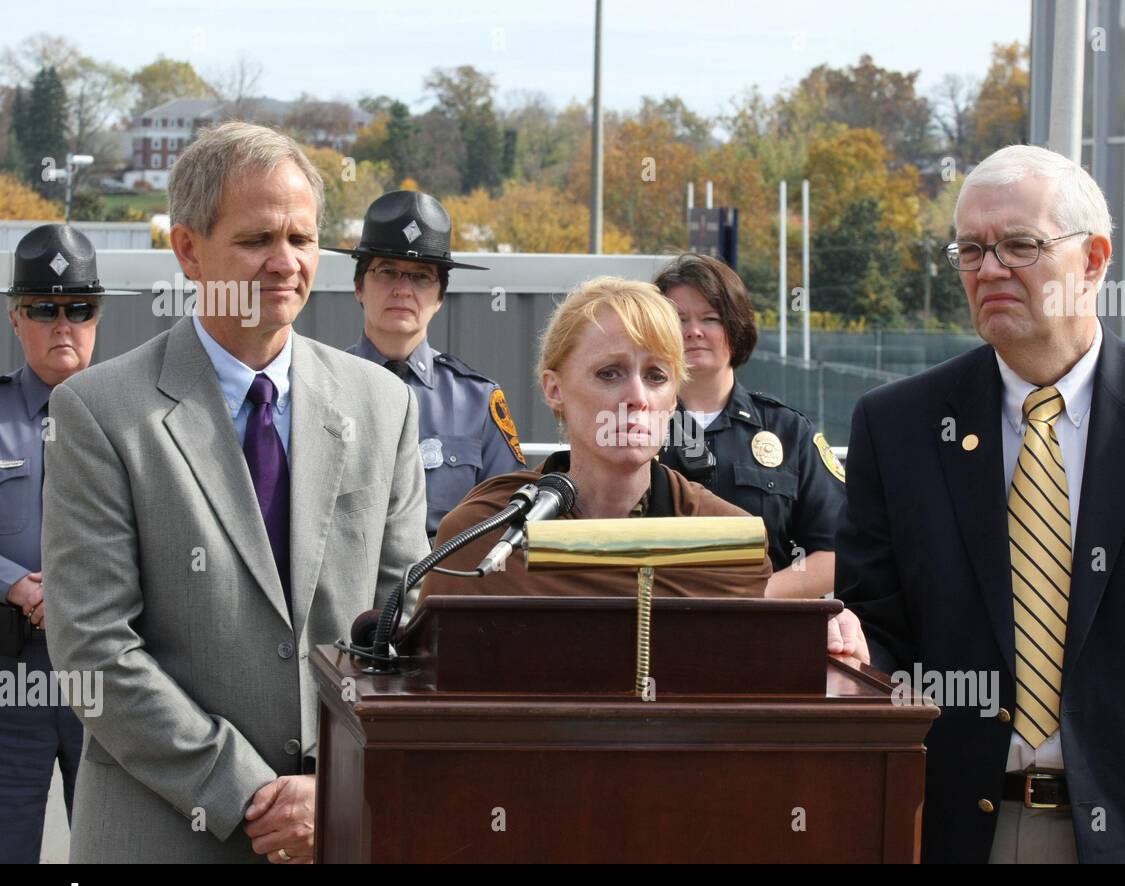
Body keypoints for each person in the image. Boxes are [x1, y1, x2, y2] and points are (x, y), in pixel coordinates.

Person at [835, 144, 1125, 863]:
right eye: (971, 249)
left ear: (1095, 259)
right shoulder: (896, 427)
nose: (990, 269)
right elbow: (877, 634)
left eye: (1020, 245)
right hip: (957, 830)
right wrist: (853, 650)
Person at [41, 122, 430, 864]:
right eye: (257, 240)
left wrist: (335, 786)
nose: (285, 263)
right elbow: (94, 650)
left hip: (337, 825)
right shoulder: (99, 412)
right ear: (189, 250)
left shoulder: (384, 405)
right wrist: (249, 791)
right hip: (158, 834)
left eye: (302, 238)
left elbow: (402, 629)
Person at [423, 278, 869, 661]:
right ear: (554, 389)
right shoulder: (483, 535)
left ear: (674, 398)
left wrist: (819, 631)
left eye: (656, 376)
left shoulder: (726, 539)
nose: (636, 396)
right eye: (610, 373)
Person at [0, 224, 136, 863]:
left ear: (98, 316)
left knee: (108, 861)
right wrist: (13, 581)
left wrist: (74, 595)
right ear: (15, 317)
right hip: (10, 679)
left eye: (79, 309)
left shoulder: (138, 421)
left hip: (107, 680)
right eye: (44, 309)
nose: (63, 324)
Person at [331, 190, 527, 536]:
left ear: (439, 297)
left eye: (421, 276)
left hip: (441, 584)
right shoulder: (320, 388)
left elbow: (507, 516)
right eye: (387, 271)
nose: (403, 290)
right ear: (359, 286)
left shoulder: (477, 402)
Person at [654, 254, 845, 598]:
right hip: (656, 629)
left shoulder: (788, 431)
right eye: (678, 319)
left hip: (765, 632)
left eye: (710, 319)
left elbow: (836, 552)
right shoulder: (633, 428)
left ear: (736, 328)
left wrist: (751, 598)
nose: (693, 331)